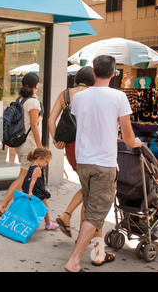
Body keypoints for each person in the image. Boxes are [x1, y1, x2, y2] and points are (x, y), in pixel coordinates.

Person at [64, 55, 142, 272]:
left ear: (94, 72)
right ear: (114, 73)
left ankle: (98, 254)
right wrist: (134, 142)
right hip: (103, 163)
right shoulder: (118, 97)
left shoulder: (79, 98)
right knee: (97, 212)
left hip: (84, 161)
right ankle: (74, 260)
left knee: (92, 209)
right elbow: (128, 136)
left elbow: (87, 125)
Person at [47, 66, 95, 237]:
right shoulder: (93, 94)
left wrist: (56, 140)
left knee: (87, 186)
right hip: (90, 145)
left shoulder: (65, 94)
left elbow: (51, 120)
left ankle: (74, 222)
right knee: (90, 187)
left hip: (71, 147)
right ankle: (70, 218)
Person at [0, 72, 43, 216]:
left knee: (29, 177)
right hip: (30, 144)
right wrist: (40, 147)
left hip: (21, 143)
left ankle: (26, 209)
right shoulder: (33, 102)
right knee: (23, 177)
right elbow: (34, 126)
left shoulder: (20, 100)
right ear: (35, 85)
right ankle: (2, 205)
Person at [21, 147, 59, 230]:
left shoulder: (32, 166)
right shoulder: (37, 169)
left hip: (35, 190)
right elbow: (33, 181)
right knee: (45, 207)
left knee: (38, 207)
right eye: (46, 162)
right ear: (39, 158)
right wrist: (30, 192)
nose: (45, 164)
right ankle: (48, 224)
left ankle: (45, 223)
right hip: (37, 191)